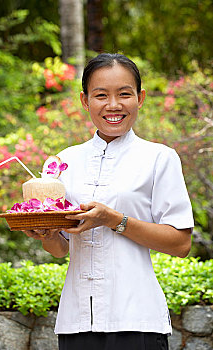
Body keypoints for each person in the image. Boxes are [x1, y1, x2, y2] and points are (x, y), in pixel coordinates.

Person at [24, 53, 194, 350]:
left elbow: (180, 243)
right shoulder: (65, 161)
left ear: (140, 98)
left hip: (137, 318)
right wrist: (46, 233)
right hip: (76, 322)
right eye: (101, 95)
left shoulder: (159, 158)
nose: (113, 105)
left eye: (124, 94)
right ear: (84, 100)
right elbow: (60, 248)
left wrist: (113, 219)